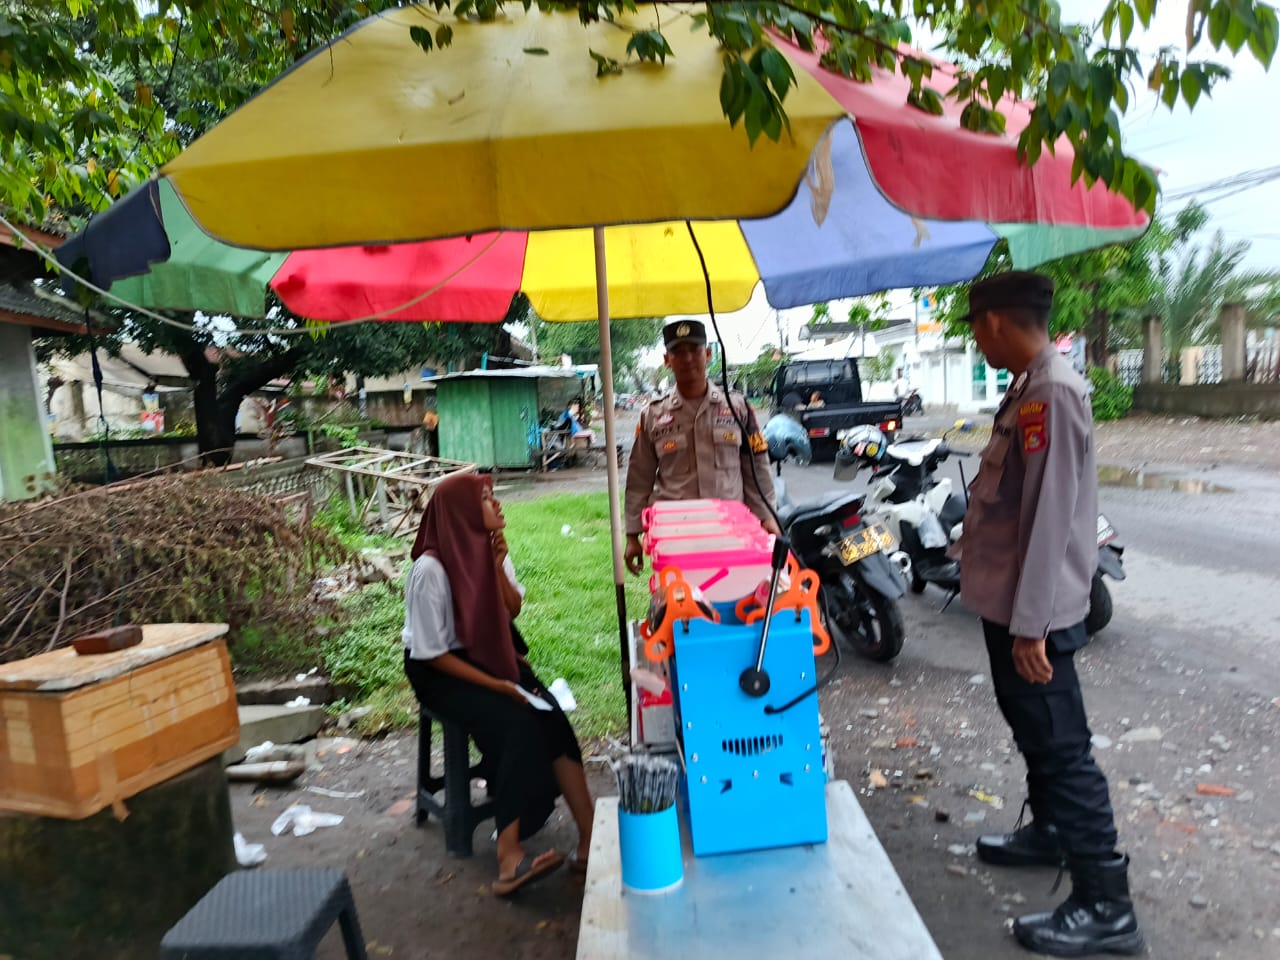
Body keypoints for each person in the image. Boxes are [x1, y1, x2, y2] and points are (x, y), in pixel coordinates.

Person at [955, 272, 1142, 957]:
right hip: (1011, 602)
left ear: (998, 322)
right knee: (1035, 731)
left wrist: (1031, 624)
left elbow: (1050, 515)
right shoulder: (1029, 385)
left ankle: (1106, 907)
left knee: (1064, 750)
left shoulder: (1053, 393)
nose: (975, 338)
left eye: (977, 326)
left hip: (1034, 611)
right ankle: (1053, 834)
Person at [402, 473, 594, 897]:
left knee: (552, 718)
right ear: (464, 512)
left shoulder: (490, 550)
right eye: (487, 499)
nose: (498, 505)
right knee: (517, 723)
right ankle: (509, 858)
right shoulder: (429, 570)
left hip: (486, 649)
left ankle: (589, 837)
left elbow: (512, 609)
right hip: (440, 668)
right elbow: (432, 654)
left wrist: (494, 568)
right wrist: (498, 685)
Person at [624, 319, 780, 575]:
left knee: (731, 604)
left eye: (694, 350)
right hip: (676, 536)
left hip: (731, 532)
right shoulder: (652, 416)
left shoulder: (737, 408)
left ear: (707, 354)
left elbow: (756, 469)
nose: (687, 358)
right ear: (667, 359)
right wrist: (632, 535)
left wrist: (766, 516)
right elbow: (639, 477)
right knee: (679, 609)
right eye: (678, 352)